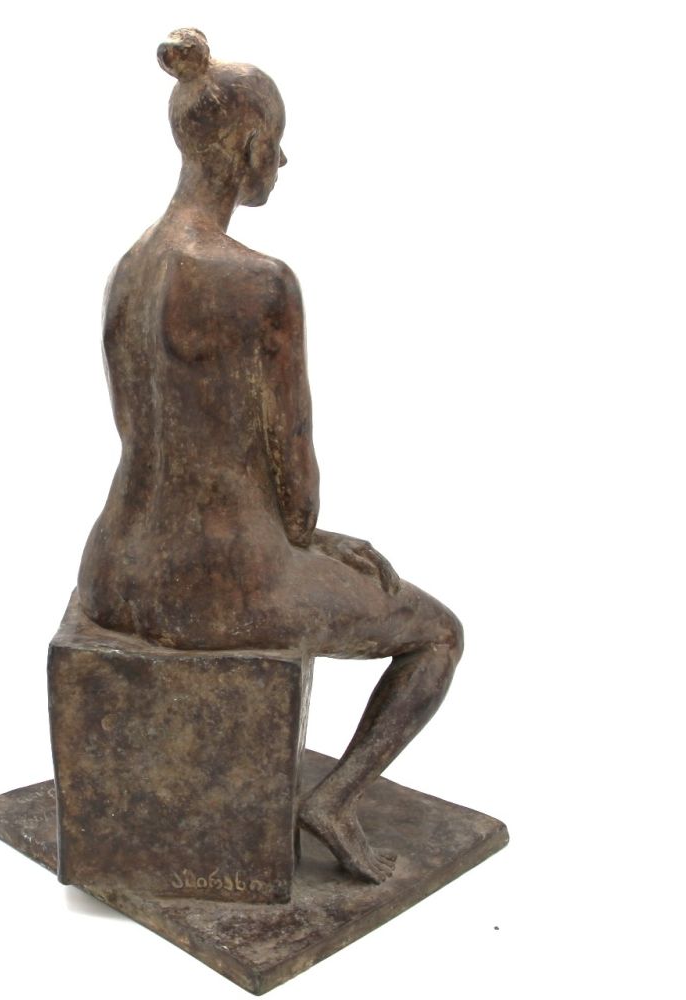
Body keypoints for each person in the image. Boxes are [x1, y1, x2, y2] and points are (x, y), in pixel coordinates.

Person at [77, 29, 464, 884]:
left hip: (112, 570)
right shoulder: (261, 281)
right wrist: (311, 537)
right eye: (276, 145)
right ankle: (334, 801)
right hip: (222, 584)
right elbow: (293, 463)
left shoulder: (128, 270)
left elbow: (134, 427)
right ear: (250, 147)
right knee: (438, 633)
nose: (281, 162)